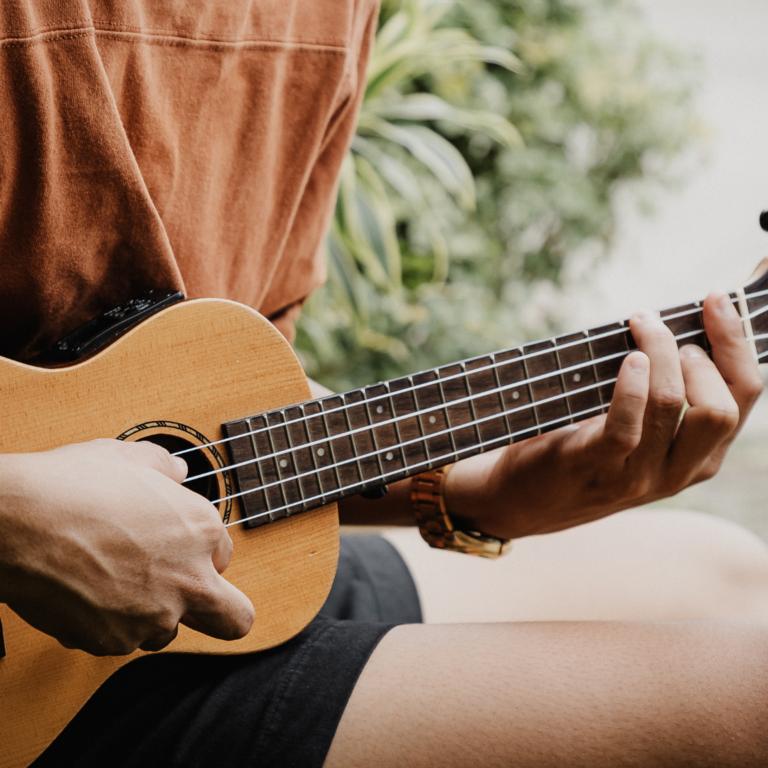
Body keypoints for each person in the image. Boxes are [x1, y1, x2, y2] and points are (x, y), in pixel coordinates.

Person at [1, 2, 767, 766]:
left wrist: (480, 490)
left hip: (182, 595)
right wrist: (20, 519)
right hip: (32, 673)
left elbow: (222, 402)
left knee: (728, 572)